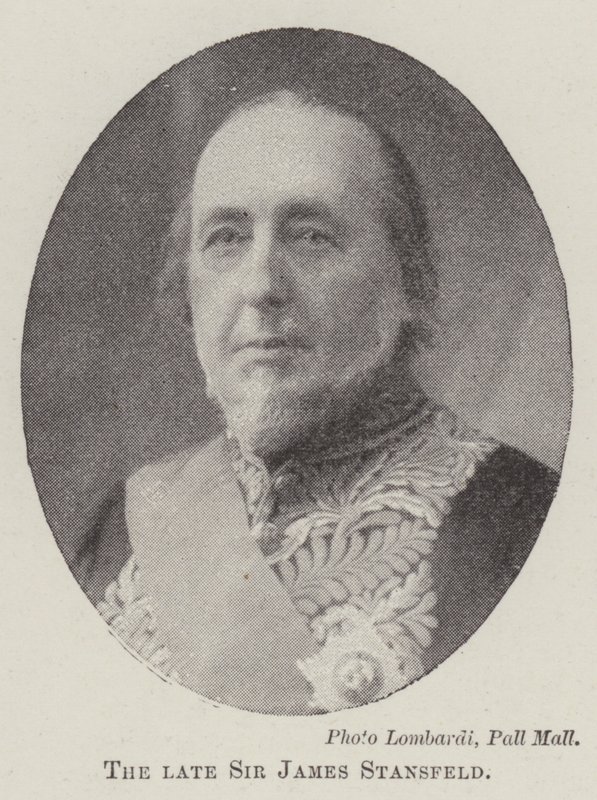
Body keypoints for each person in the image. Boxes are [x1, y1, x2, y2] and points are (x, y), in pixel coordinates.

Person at [87, 90, 558, 714]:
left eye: (312, 237)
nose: (260, 285)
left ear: (410, 283)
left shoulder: (520, 520)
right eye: (226, 239)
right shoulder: (120, 529)